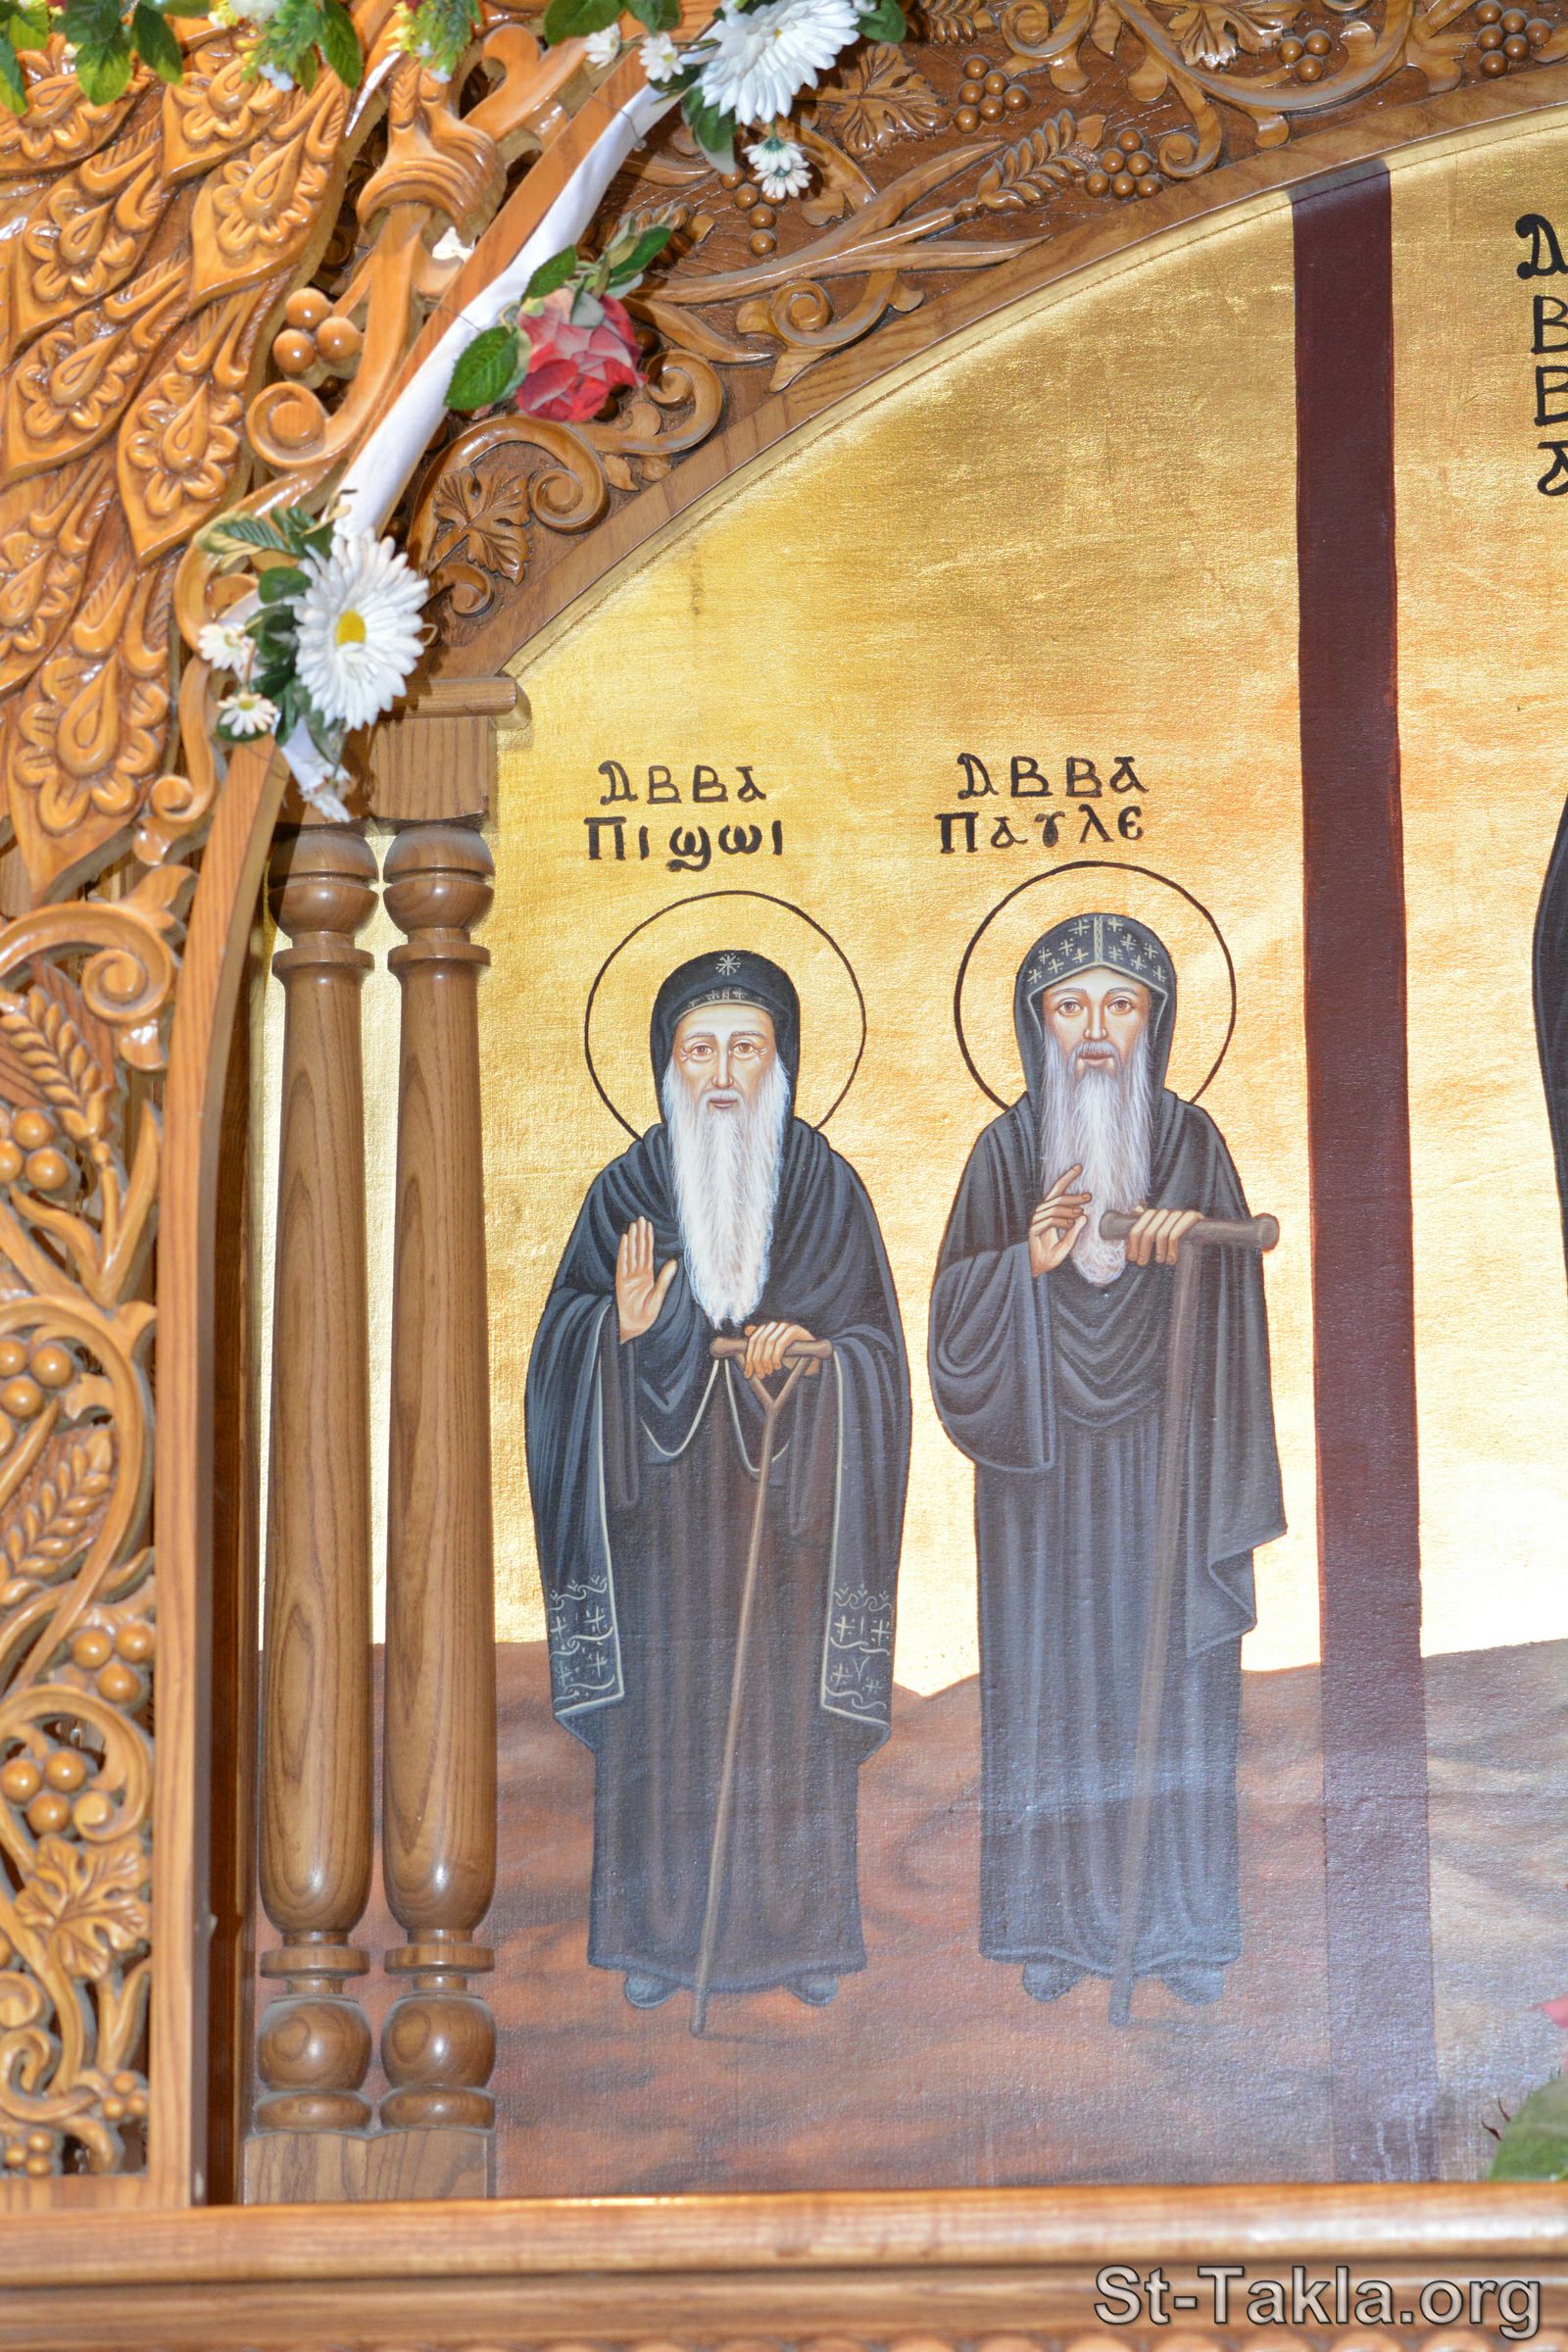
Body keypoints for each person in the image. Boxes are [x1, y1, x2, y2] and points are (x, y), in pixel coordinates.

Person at [526, 949, 910, 2011]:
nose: (725, 1073)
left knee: (788, 1727)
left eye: (748, 1047)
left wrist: (817, 1362)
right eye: (701, 1050)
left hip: (794, 1529)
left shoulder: (827, 1189)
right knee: (667, 1728)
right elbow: (557, 1360)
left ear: (783, 1060)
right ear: (668, 1064)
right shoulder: (625, 1193)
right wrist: (621, 1336)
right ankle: (655, 1941)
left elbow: (879, 1358)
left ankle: (802, 1938)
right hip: (658, 1528)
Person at [929, 910, 1285, 2010]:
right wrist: (1024, 1268)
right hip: (1039, 1480)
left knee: (1170, 1689)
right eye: (1070, 1005)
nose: (1094, 1029)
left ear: (1153, 1024)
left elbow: (1239, 1301)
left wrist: (1194, 1261)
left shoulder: (1192, 1143)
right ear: (1036, 1023)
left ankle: (1180, 1931)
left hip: (1166, 1470)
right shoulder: (1001, 1153)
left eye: (1119, 1005)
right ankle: (1052, 1929)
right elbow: (951, 1327)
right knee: (1050, 1689)